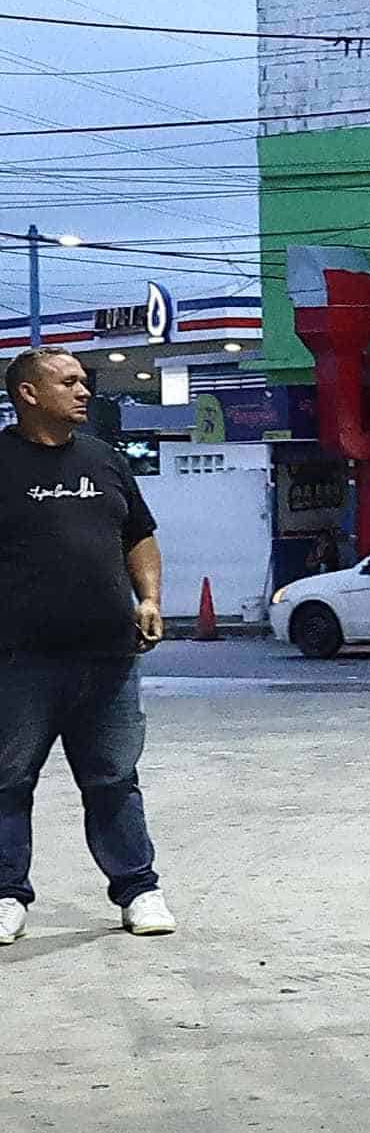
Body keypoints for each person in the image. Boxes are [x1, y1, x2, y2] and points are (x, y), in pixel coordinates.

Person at [0, 347, 169, 945]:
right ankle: (5, 895)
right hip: (19, 660)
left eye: (83, 381)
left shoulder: (104, 459)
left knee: (113, 777)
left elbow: (139, 535)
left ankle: (138, 890)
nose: (83, 391)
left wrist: (148, 597)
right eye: (68, 381)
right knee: (8, 779)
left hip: (109, 656)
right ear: (28, 393)